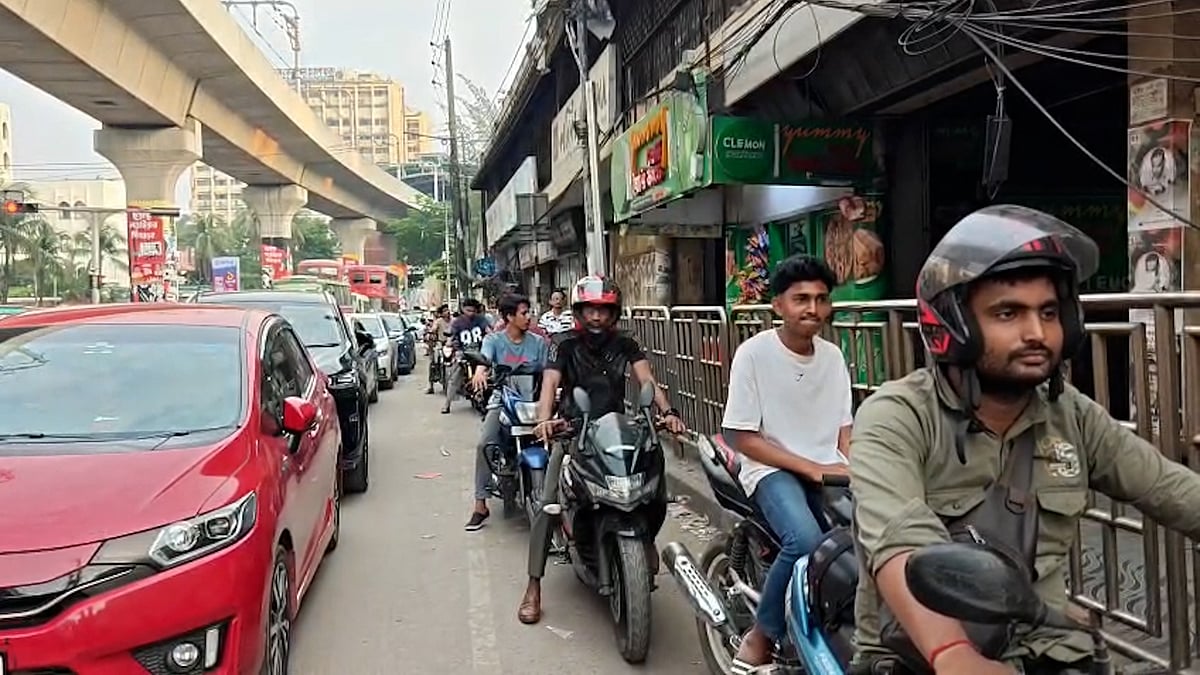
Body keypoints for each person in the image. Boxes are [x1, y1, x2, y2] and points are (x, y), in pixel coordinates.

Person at [849, 204, 1200, 675]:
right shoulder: (898, 416)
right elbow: (901, 544)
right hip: (915, 655)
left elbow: (1170, 489)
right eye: (1008, 313)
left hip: (1047, 647)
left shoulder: (1070, 414)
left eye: (1049, 312)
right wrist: (953, 655)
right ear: (955, 324)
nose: (1037, 333)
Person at [517, 274, 686, 625]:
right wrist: (545, 420)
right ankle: (533, 585)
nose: (597, 317)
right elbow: (549, 383)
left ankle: (645, 539)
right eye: (590, 310)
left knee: (654, 482)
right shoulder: (562, 344)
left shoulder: (626, 343)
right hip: (573, 431)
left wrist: (667, 413)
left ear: (614, 313)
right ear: (579, 311)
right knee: (549, 503)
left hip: (616, 429)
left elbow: (647, 381)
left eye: (604, 311)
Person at [723, 255, 853, 672]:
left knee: (863, 543)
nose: (813, 309)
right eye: (801, 299)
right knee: (805, 540)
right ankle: (761, 635)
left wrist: (856, 472)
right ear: (778, 305)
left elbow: (843, 428)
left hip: (827, 466)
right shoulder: (753, 354)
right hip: (770, 468)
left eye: (821, 299)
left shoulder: (833, 357)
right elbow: (740, 436)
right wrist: (807, 467)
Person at [465, 293, 548, 531]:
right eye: (524, 313)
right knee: (484, 444)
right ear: (509, 316)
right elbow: (485, 360)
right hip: (503, 400)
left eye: (529, 312)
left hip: (534, 401)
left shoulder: (538, 343)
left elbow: (550, 372)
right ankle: (480, 505)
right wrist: (480, 372)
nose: (528, 317)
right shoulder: (494, 340)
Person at [443, 298, 490, 414]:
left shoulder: (481, 320)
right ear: (463, 309)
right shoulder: (457, 322)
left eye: (473, 311)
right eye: (468, 310)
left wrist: (491, 336)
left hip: (480, 353)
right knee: (454, 378)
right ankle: (447, 404)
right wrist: (451, 344)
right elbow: (452, 337)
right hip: (463, 353)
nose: (471, 313)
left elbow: (488, 331)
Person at [425, 304, 452, 395]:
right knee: (434, 361)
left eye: (448, 310)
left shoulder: (454, 321)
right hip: (441, 344)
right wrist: (431, 333)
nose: (447, 312)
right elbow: (433, 329)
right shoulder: (439, 321)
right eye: (444, 311)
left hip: (452, 344)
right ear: (441, 313)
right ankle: (431, 386)